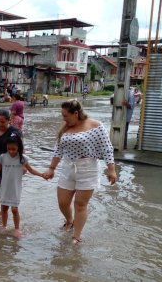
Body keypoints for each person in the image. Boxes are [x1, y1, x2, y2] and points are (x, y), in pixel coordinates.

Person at [42, 99, 117, 245]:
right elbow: (58, 150)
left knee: (80, 204)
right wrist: (51, 168)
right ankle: (70, 221)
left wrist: (111, 169)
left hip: (88, 168)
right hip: (68, 167)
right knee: (63, 202)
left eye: (65, 116)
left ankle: (76, 236)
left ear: (76, 113)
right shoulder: (65, 128)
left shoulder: (95, 126)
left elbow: (107, 148)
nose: (63, 119)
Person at [0, 135, 44, 237]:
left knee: (14, 209)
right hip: (5, 186)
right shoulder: (3, 157)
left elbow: (31, 170)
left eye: (13, 149)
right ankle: (4, 226)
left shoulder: (22, 159)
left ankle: (17, 229)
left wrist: (41, 175)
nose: (11, 151)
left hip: (15, 187)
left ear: (19, 147)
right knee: (4, 208)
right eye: (9, 148)